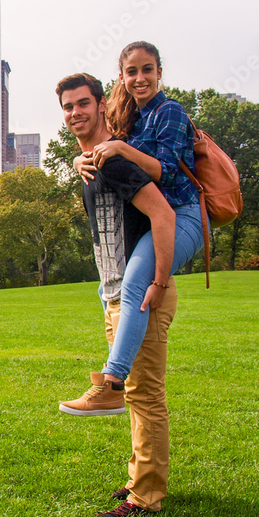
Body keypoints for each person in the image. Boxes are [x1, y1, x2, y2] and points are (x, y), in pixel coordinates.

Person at [55, 72, 179, 517]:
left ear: (102, 103)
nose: (75, 113)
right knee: (131, 392)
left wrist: (159, 283)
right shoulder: (90, 161)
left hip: (143, 295)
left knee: (144, 395)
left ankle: (146, 496)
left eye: (83, 104)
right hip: (114, 296)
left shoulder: (118, 160)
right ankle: (138, 480)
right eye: (67, 107)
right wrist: (78, 161)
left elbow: (163, 214)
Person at [66, 41, 204, 395]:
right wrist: (79, 160)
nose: (140, 78)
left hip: (182, 214)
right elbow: (103, 143)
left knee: (134, 285)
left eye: (147, 70)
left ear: (160, 72)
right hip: (159, 217)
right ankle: (113, 388)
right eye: (132, 72)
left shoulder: (169, 111)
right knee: (114, 286)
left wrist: (121, 149)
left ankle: (111, 382)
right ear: (122, 76)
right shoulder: (131, 115)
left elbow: (165, 172)